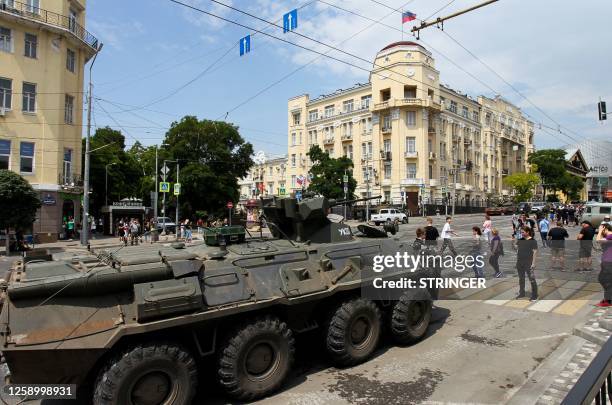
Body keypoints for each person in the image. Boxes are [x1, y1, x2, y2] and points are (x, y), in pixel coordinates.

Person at [516, 226, 538, 301]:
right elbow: (516, 249)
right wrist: (513, 242)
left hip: (528, 262)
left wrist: (533, 263)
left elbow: (535, 252)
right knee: (521, 278)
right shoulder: (520, 240)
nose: (521, 233)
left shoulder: (533, 241)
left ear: (527, 232)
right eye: (521, 232)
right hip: (520, 262)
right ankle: (522, 293)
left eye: (523, 232)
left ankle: (535, 295)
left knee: (531, 279)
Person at [595, 223, 612, 307]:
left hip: (609, 262)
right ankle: (608, 299)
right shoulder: (608, 237)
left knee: (605, 280)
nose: (600, 231)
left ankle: (608, 300)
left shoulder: (610, 235)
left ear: (605, 228)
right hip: (607, 261)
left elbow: (598, 240)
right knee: (604, 279)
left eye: (601, 229)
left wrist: (600, 231)